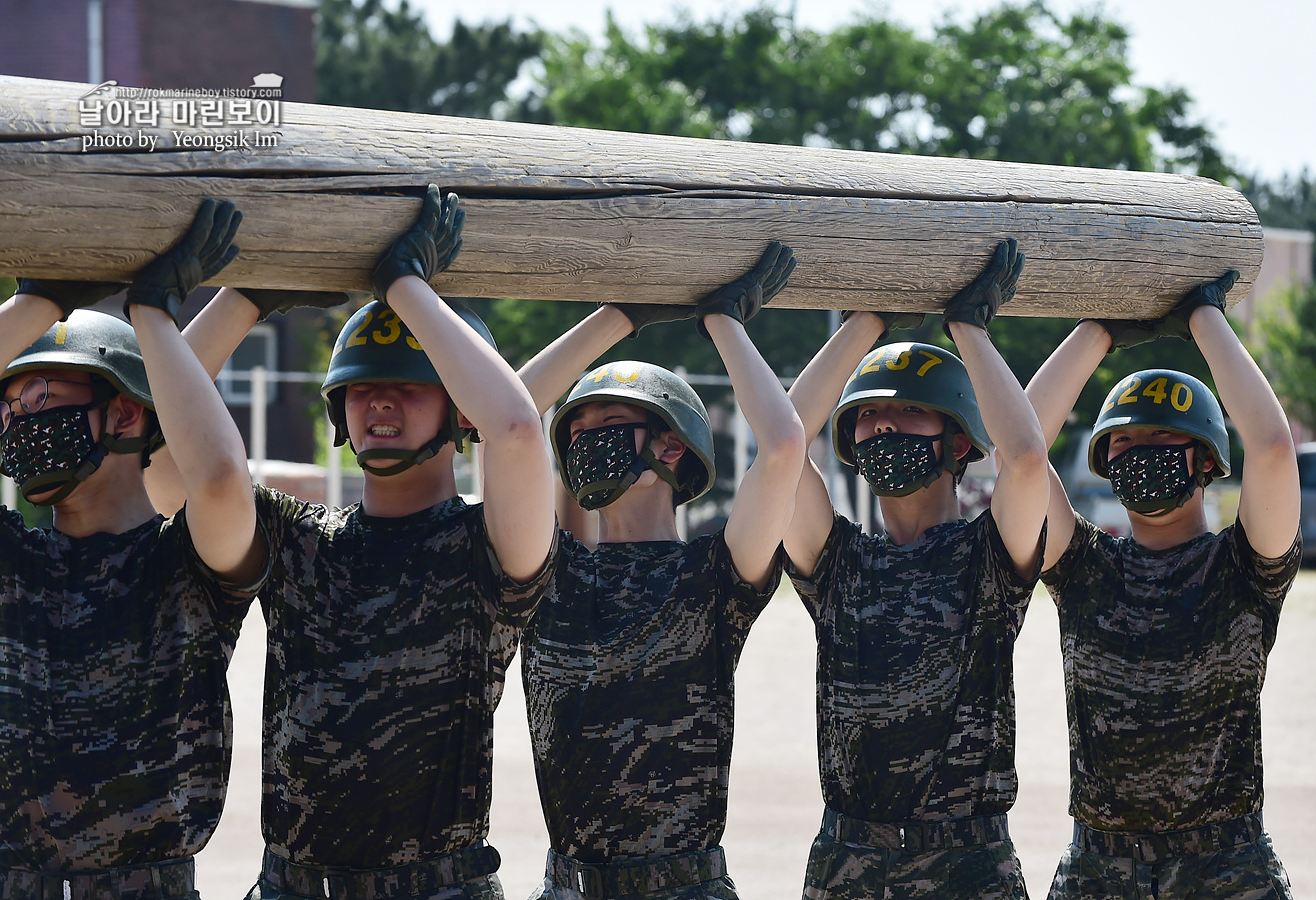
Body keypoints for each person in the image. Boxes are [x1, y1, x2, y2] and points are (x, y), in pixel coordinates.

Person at [163, 185, 558, 900]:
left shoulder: (486, 546)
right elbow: (159, 467)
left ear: (459, 409)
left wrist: (404, 285)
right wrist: (246, 297)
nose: (379, 402)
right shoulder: (300, 541)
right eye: (362, 386)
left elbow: (519, 431)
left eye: (408, 388)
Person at [0, 199, 267, 896]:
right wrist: (35, 306)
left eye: (40, 399)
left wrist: (152, 316)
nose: (17, 426)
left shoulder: (185, 564)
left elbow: (219, 475)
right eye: (3, 414)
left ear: (127, 413)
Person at [511, 241, 805, 900]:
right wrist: (621, 315)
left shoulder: (712, 576)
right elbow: (502, 418)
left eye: (609, 422)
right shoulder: (547, 573)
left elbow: (784, 444)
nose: (585, 440)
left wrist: (722, 319)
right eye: (576, 430)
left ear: (671, 445)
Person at [781, 239, 1049, 900]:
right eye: (867, 414)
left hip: (970, 865)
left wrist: (967, 328)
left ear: (957, 441)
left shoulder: (988, 555)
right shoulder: (838, 561)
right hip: (850, 861)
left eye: (908, 410)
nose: (883, 427)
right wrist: (866, 325)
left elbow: (1025, 460)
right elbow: (780, 443)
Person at [1025, 271, 1300, 900]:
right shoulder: (1083, 567)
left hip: (1227, 870)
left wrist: (1204, 317)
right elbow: (1020, 447)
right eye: (1125, 439)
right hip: (1101, 870)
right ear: (1104, 461)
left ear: (1205, 458)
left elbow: (1273, 449)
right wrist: (1098, 330)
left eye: (1161, 437)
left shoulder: (1243, 568)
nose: (1140, 451)